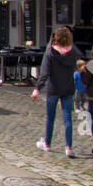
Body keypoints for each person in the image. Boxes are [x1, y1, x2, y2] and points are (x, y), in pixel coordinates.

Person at [32, 26, 83, 157]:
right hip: (68, 88)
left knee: (50, 117)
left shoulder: (50, 53)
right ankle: (68, 147)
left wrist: (37, 89)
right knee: (67, 119)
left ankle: (47, 144)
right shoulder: (72, 53)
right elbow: (74, 68)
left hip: (53, 88)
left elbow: (44, 73)